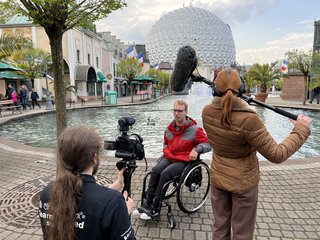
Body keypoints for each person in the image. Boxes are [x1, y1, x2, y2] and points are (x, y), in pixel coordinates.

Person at [201, 68, 312, 240]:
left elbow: (226, 113)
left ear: (215, 89)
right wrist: (300, 130)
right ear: (243, 89)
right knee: (242, 234)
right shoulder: (249, 120)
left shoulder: (206, 112)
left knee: (219, 229)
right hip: (243, 184)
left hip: (218, 179)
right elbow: (276, 154)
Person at [38, 125, 135, 240]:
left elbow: (82, 198)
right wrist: (124, 214)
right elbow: (92, 202)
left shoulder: (47, 192)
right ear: (94, 158)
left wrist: (115, 186)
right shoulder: (114, 202)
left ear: (62, 158)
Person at [137, 99, 212, 220]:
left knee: (165, 174)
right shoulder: (169, 129)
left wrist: (197, 149)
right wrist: (167, 153)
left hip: (184, 160)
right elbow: (165, 145)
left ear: (186, 112)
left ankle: (155, 208)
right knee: (156, 170)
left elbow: (208, 144)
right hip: (171, 157)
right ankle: (148, 203)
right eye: (175, 110)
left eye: (180, 111)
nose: (177, 113)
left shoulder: (195, 130)